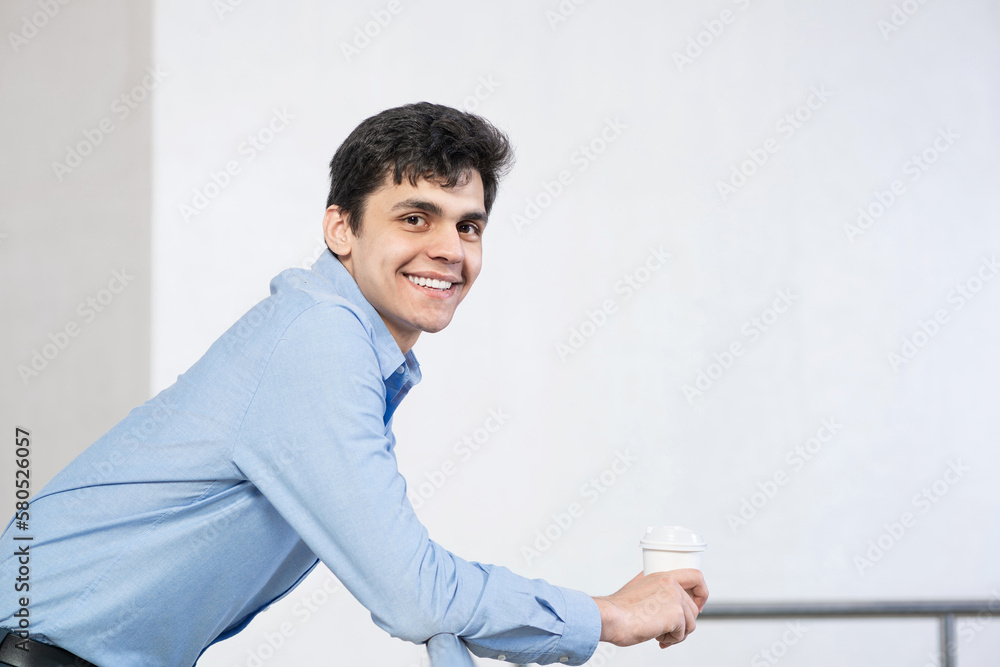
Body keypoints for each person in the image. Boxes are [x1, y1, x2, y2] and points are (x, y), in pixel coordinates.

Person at [0, 102, 707, 666]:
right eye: (413, 218)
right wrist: (608, 614)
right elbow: (413, 592)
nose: (449, 250)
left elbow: (418, 596)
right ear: (341, 228)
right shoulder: (318, 340)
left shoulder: (340, 345)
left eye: (469, 226)